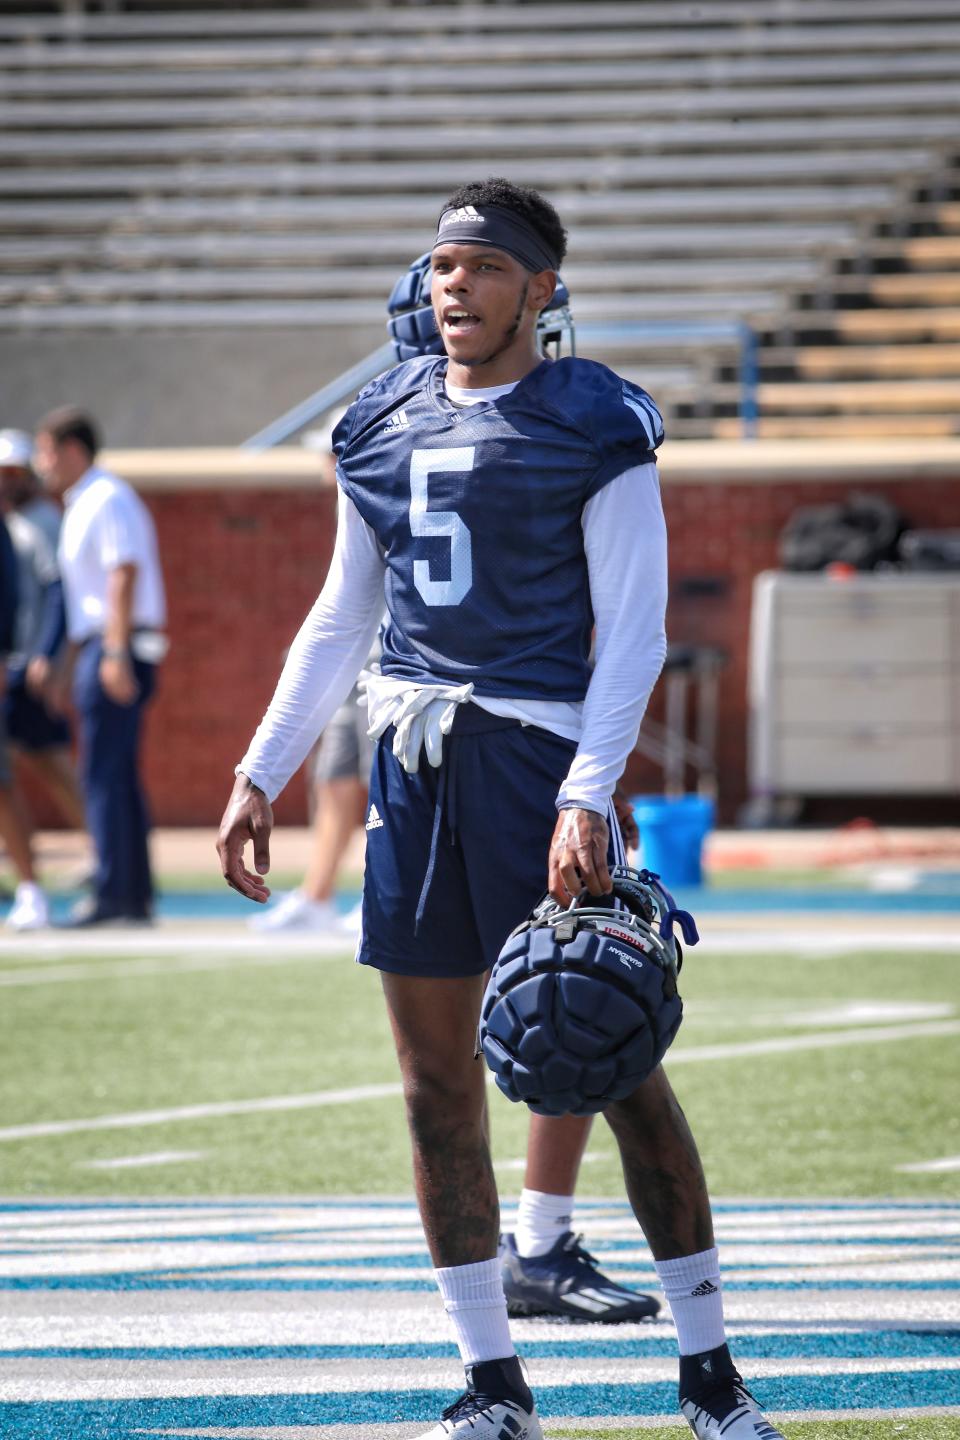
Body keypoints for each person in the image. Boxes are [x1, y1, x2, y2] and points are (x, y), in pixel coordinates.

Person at [219, 179, 786, 1440]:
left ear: (540, 287)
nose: (452, 288)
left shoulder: (593, 418)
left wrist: (589, 792)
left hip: (539, 764)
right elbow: (339, 615)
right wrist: (263, 768)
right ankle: (491, 1381)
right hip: (416, 773)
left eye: (479, 267)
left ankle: (710, 1373)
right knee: (433, 1088)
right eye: (438, 267)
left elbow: (632, 628)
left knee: (608, 1058)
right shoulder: (374, 425)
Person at [33, 408, 167, 927]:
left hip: (119, 646)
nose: (44, 465)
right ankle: (132, 895)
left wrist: (112, 652)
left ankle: (116, 894)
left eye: (46, 452)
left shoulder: (105, 497)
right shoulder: (83, 501)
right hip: (104, 645)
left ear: (70, 450)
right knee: (115, 774)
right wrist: (68, 663)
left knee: (104, 774)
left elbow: (122, 573)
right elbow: (83, 594)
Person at [0, 429, 87, 929]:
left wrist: (46, 657)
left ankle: (103, 853)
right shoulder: (17, 522)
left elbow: (58, 591)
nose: (8, 482)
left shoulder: (41, 522)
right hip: (20, 661)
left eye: (14, 472)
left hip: (27, 665)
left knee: (49, 760)